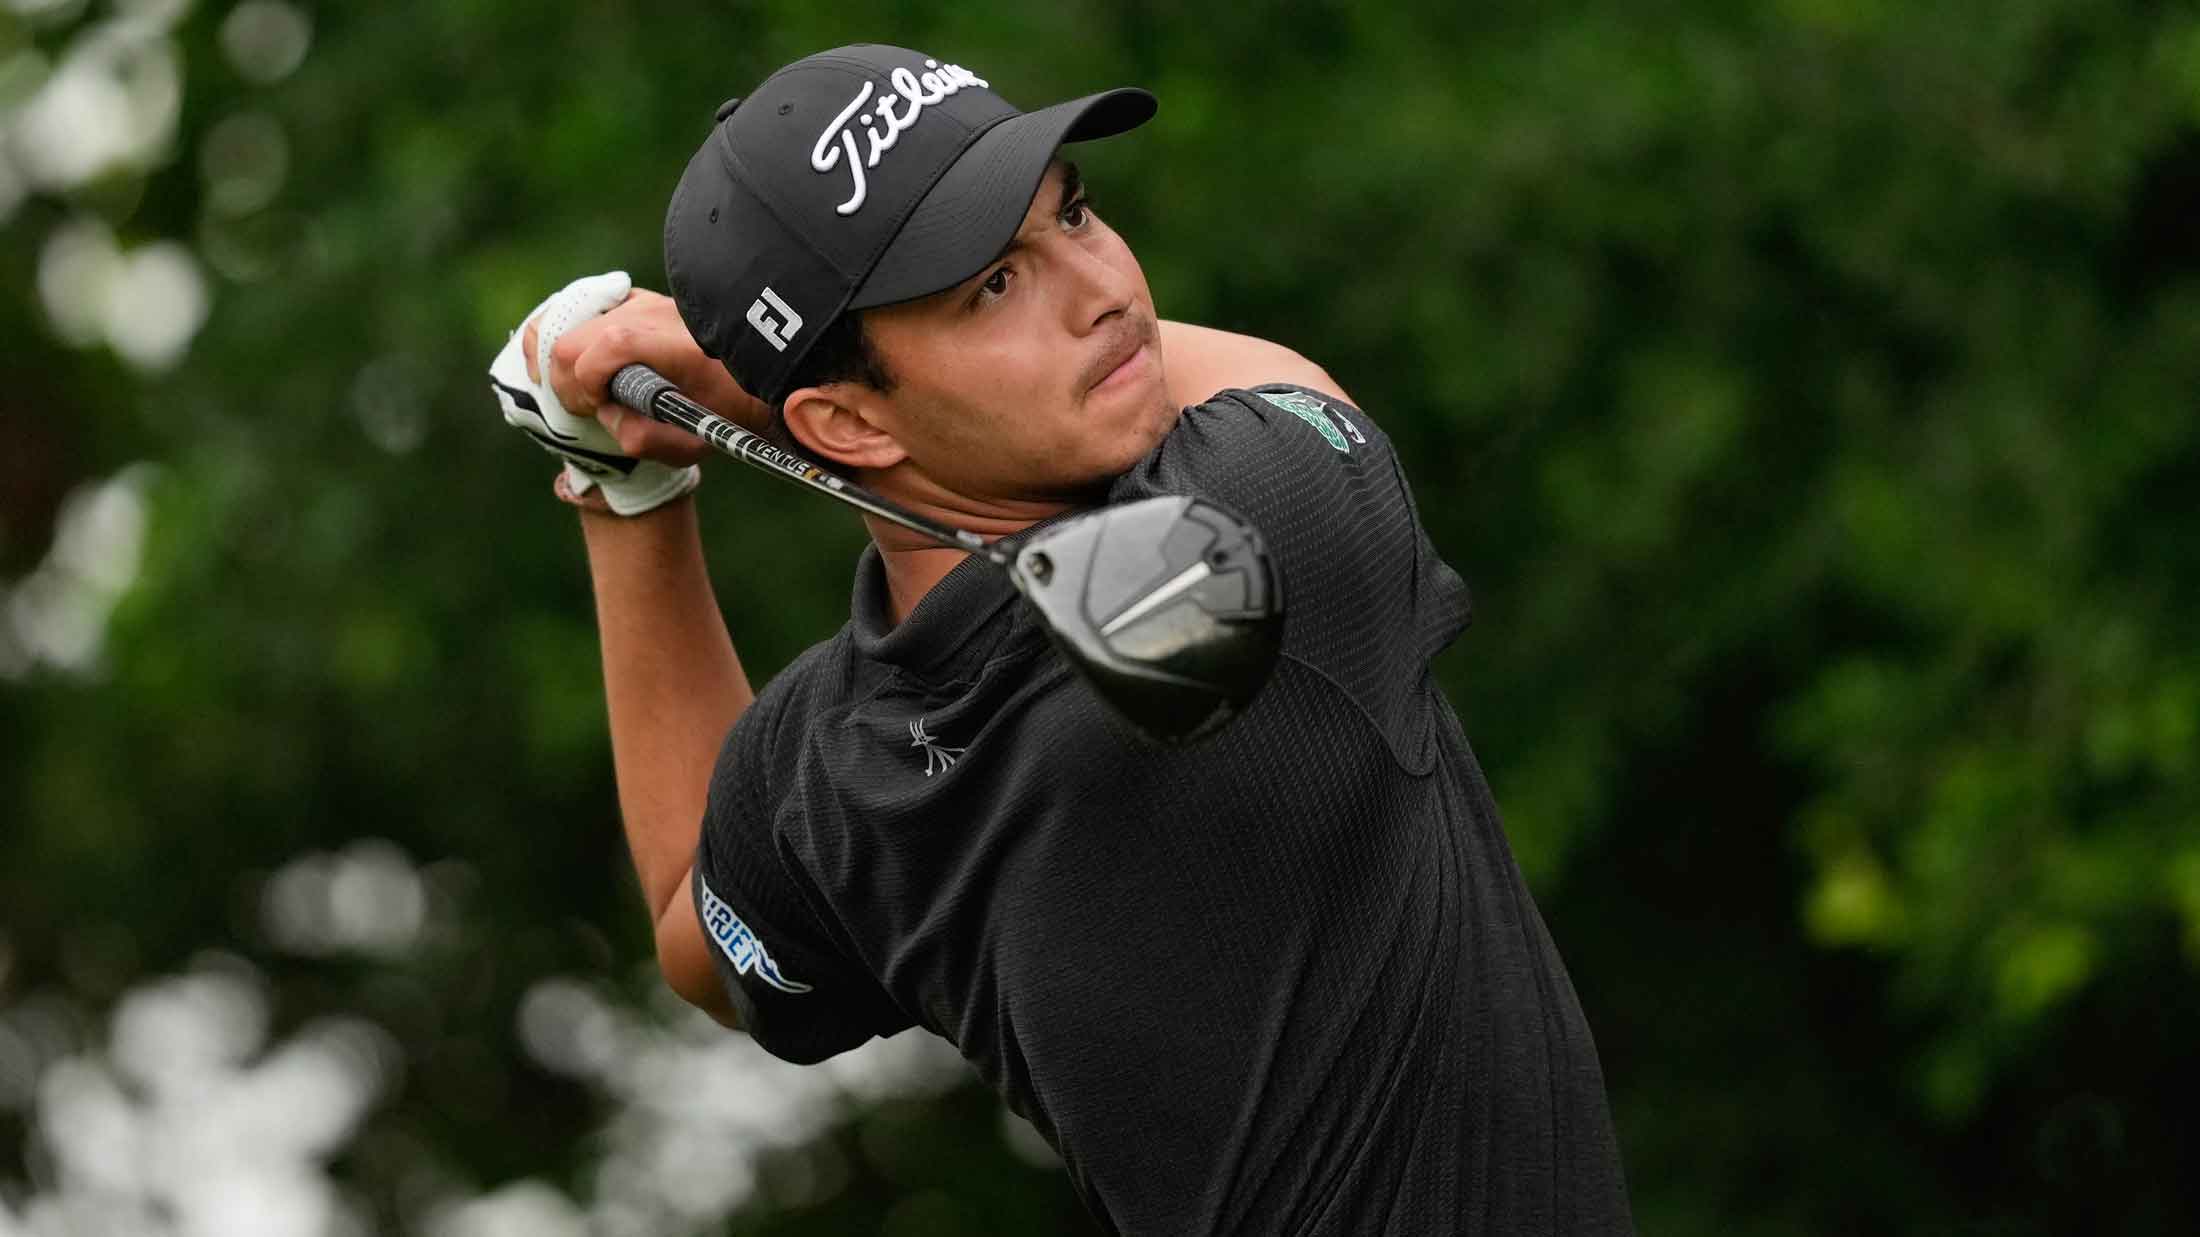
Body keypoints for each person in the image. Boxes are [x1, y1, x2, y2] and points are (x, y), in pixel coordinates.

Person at [487, 42, 1634, 1235]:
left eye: (1074, 212)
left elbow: (694, 928)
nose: (1105, 289)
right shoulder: (1261, 541)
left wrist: (625, 501)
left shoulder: (832, 769)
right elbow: (1282, 386)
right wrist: (737, 389)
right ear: (846, 421)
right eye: (991, 284)